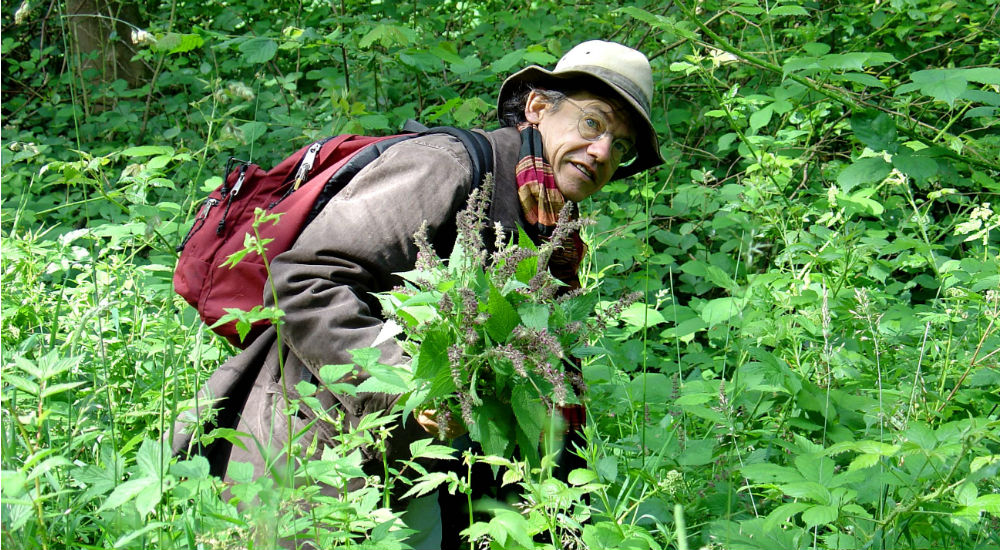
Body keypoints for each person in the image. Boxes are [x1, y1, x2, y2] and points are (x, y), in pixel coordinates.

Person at [171, 39, 663, 548]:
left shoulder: (548, 226)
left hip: (420, 474)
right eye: (593, 123)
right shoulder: (447, 166)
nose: (604, 151)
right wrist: (407, 385)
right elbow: (305, 278)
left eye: (621, 146)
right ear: (538, 108)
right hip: (318, 457)